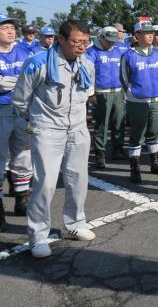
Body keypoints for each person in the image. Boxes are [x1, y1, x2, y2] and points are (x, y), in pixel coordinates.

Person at [14, 20, 96, 258]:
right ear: (60, 39)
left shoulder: (87, 64)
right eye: (76, 42)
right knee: (46, 183)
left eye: (85, 42)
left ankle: (75, 224)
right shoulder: (38, 63)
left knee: (78, 179)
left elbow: (86, 95)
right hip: (47, 129)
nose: (82, 47)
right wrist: (34, 127)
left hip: (78, 128)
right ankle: (38, 236)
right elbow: (21, 100)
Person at [120, 21, 158, 183]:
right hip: (137, 101)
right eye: (146, 33)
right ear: (137, 35)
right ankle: (135, 168)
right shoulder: (128, 55)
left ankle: (155, 163)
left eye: (152, 33)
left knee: (155, 132)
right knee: (137, 135)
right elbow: (124, 79)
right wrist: (134, 94)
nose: (151, 35)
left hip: (155, 99)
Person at [0, 15, 33, 225]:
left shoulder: (25, 50)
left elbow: (34, 76)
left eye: (12, 27)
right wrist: (20, 81)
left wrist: (12, 81)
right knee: (0, 157)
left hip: (22, 109)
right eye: (5, 28)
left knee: (24, 155)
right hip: (1, 110)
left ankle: (22, 200)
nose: (10, 31)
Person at [85, 26, 128, 168]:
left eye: (114, 41)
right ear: (101, 37)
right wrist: (91, 93)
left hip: (117, 91)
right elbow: (88, 75)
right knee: (102, 123)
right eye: (109, 40)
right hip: (101, 92)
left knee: (119, 121)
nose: (111, 43)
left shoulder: (118, 50)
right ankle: (99, 152)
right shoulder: (92, 52)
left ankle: (118, 149)